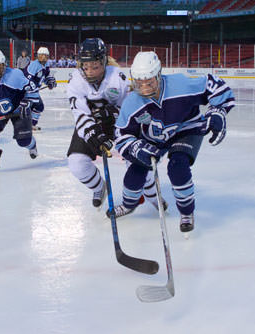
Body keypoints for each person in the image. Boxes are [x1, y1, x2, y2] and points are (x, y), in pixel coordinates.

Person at [112, 51, 235, 233]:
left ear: (159, 75)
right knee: (134, 174)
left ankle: (186, 212)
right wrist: (136, 147)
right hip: (152, 139)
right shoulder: (132, 102)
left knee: (178, 167)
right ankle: (129, 204)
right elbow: (121, 134)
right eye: (139, 82)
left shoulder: (181, 84)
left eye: (150, 81)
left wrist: (218, 110)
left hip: (186, 129)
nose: (144, 87)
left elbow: (215, 85)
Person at [66, 38, 130, 208]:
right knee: (76, 163)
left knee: (136, 161)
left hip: (117, 126)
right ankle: (99, 187)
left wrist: (113, 113)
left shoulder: (118, 78)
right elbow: (79, 113)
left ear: (104, 61)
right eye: (86, 67)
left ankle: (141, 196)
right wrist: (93, 133)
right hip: (90, 125)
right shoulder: (75, 81)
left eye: (95, 66)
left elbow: (129, 109)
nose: (90, 72)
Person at [23, 46, 57, 131]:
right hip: (27, 91)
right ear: (38, 56)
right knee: (36, 107)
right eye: (41, 55)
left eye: (45, 55)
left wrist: (50, 82)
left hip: (34, 92)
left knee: (38, 107)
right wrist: (33, 87)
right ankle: (27, 124)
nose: (43, 57)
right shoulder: (34, 65)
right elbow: (27, 77)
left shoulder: (45, 66)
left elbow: (45, 77)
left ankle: (30, 124)